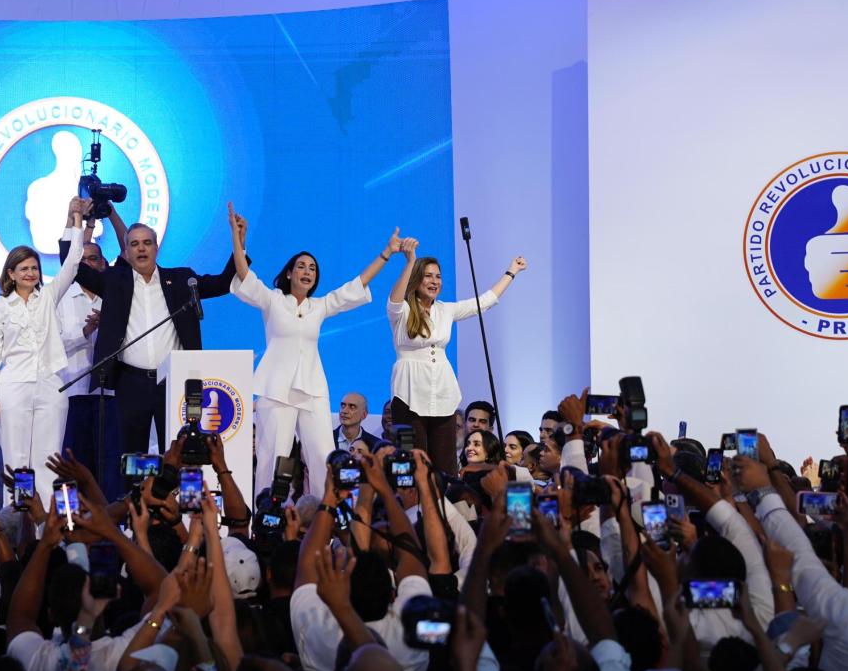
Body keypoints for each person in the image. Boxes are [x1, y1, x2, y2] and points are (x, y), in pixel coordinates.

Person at [227, 204, 393, 494]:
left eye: (312, 268)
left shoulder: (320, 306)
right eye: (301, 266)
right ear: (289, 273)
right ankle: (265, 526)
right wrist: (238, 239)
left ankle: (325, 523)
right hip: (276, 391)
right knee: (271, 460)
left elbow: (358, 284)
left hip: (313, 390)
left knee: (323, 458)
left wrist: (387, 253)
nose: (307, 271)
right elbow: (245, 276)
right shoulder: (273, 300)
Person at [59, 204, 238, 454]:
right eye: (134, 244)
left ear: (156, 247)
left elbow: (222, 283)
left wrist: (238, 243)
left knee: (177, 454)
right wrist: (73, 221)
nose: (141, 248)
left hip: (174, 383)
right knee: (132, 459)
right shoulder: (113, 282)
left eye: (146, 242)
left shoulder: (180, 280)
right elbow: (72, 267)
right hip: (130, 383)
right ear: (127, 252)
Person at [386, 240, 526, 475]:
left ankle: (446, 509)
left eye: (438, 277)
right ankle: (412, 510)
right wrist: (410, 261)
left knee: (445, 467)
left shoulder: (445, 310)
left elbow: (484, 302)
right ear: (417, 279)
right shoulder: (403, 311)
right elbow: (394, 300)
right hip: (409, 395)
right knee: (410, 465)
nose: (434, 282)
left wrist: (511, 272)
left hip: (442, 394)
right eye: (428, 276)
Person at [0, 198, 88, 502]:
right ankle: (17, 526)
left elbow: (74, 261)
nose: (31, 273)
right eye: (24, 268)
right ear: (11, 274)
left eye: (34, 268)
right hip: (13, 385)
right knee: (16, 460)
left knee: (48, 459)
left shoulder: (49, 296)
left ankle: (46, 527)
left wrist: (76, 218)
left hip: (51, 384)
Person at [57, 206, 127, 496]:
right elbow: (54, 344)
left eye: (94, 259)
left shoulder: (116, 293)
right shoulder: (61, 296)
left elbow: (127, 247)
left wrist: (108, 213)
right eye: (82, 260)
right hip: (73, 390)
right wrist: (85, 333)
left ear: (104, 263)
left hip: (109, 392)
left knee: (109, 465)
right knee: (74, 464)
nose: (88, 264)